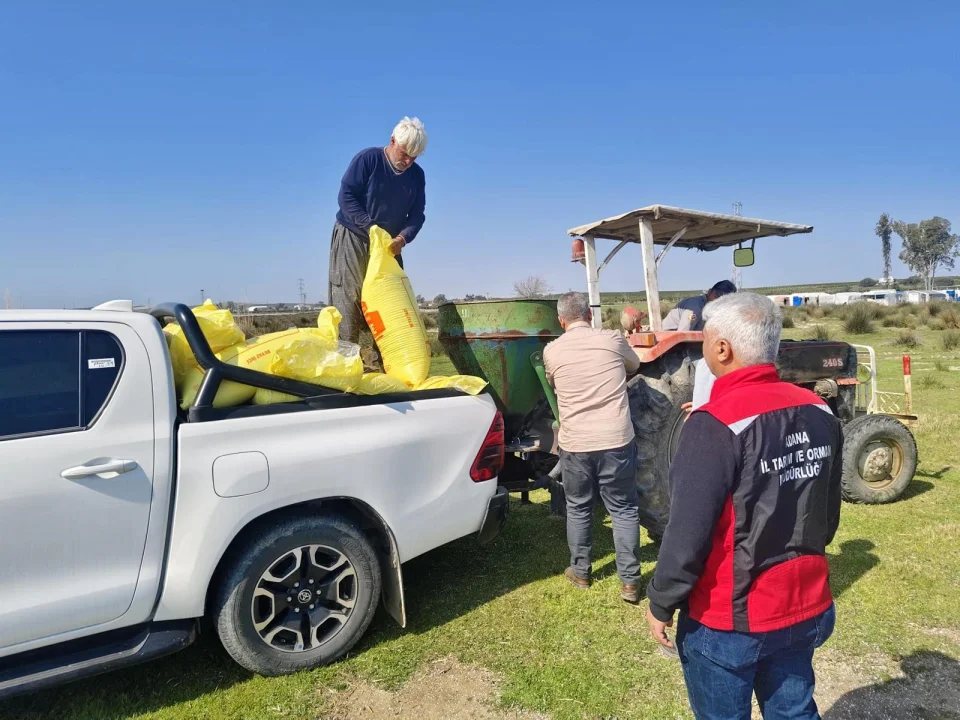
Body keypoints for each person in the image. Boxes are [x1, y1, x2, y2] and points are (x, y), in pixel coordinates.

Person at [645, 292, 843, 720]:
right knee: (794, 712)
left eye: (705, 342)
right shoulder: (820, 409)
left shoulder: (713, 424)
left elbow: (686, 535)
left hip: (730, 620)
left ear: (722, 348)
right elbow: (826, 519)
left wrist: (661, 602)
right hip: (804, 602)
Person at [544, 292, 643, 604]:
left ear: (561, 321)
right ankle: (629, 582)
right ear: (589, 314)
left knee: (579, 507)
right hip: (616, 439)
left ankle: (582, 572)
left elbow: (554, 382)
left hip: (575, 444)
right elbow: (635, 364)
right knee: (624, 508)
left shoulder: (552, 351)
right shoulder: (613, 340)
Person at [328, 117, 428, 359]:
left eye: (414, 158)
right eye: (404, 154)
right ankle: (345, 366)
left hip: (389, 246)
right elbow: (346, 196)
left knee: (390, 305)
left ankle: (381, 367)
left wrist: (402, 239)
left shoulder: (417, 176)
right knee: (349, 299)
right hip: (354, 235)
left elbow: (417, 216)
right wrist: (370, 227)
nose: (407, 162)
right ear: (392, 141)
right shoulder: (368, 160)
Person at [662, 280, 738, 331]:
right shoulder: (695, 308)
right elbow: (684, 334)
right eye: (716, 296)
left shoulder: (714, 311)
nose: (717, 302)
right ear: (709, 291)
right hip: (669, 344)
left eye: (724, 300)